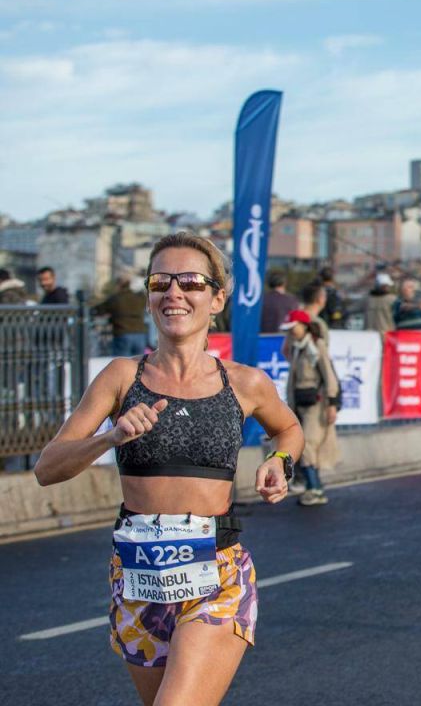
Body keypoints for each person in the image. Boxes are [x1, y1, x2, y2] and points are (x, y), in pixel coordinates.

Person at [32, 232, 299, 704]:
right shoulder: (120, 377)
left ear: (216, 298)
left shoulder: (244, 382)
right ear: (150, 297)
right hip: (137, 579)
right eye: (161, 281)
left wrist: (280, 461)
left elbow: (289, 429)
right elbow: (47, 468)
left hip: (216, 575)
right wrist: (109, 438)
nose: (174, 292)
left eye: (191, 282)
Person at [283, 308, 340, 506]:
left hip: (316, 404)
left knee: (307, 446)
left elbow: (329, 376)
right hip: (300, 403)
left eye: (294, 327)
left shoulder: (316, 346)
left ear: (304, 326)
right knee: (304, 447)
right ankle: (313, 487)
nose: (291, 331)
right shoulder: (297, 347)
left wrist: (332, 403)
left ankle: (315, 488)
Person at [96, 276, 150, 357]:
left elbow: (98, 310)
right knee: (140, 364)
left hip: (123, 333)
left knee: (122, 365)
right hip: (140, 333)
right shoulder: (139, 298)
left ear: (119, 285)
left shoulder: (115, 299)